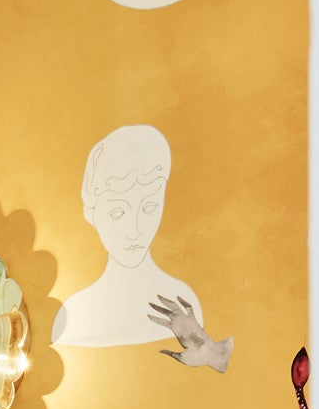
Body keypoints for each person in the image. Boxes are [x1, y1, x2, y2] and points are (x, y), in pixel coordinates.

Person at [49, 125, 206, 350]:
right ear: (93, 211)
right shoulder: (73, 317)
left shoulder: (183, 305)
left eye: (149, 208)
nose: (135, 230)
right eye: (118, 212)